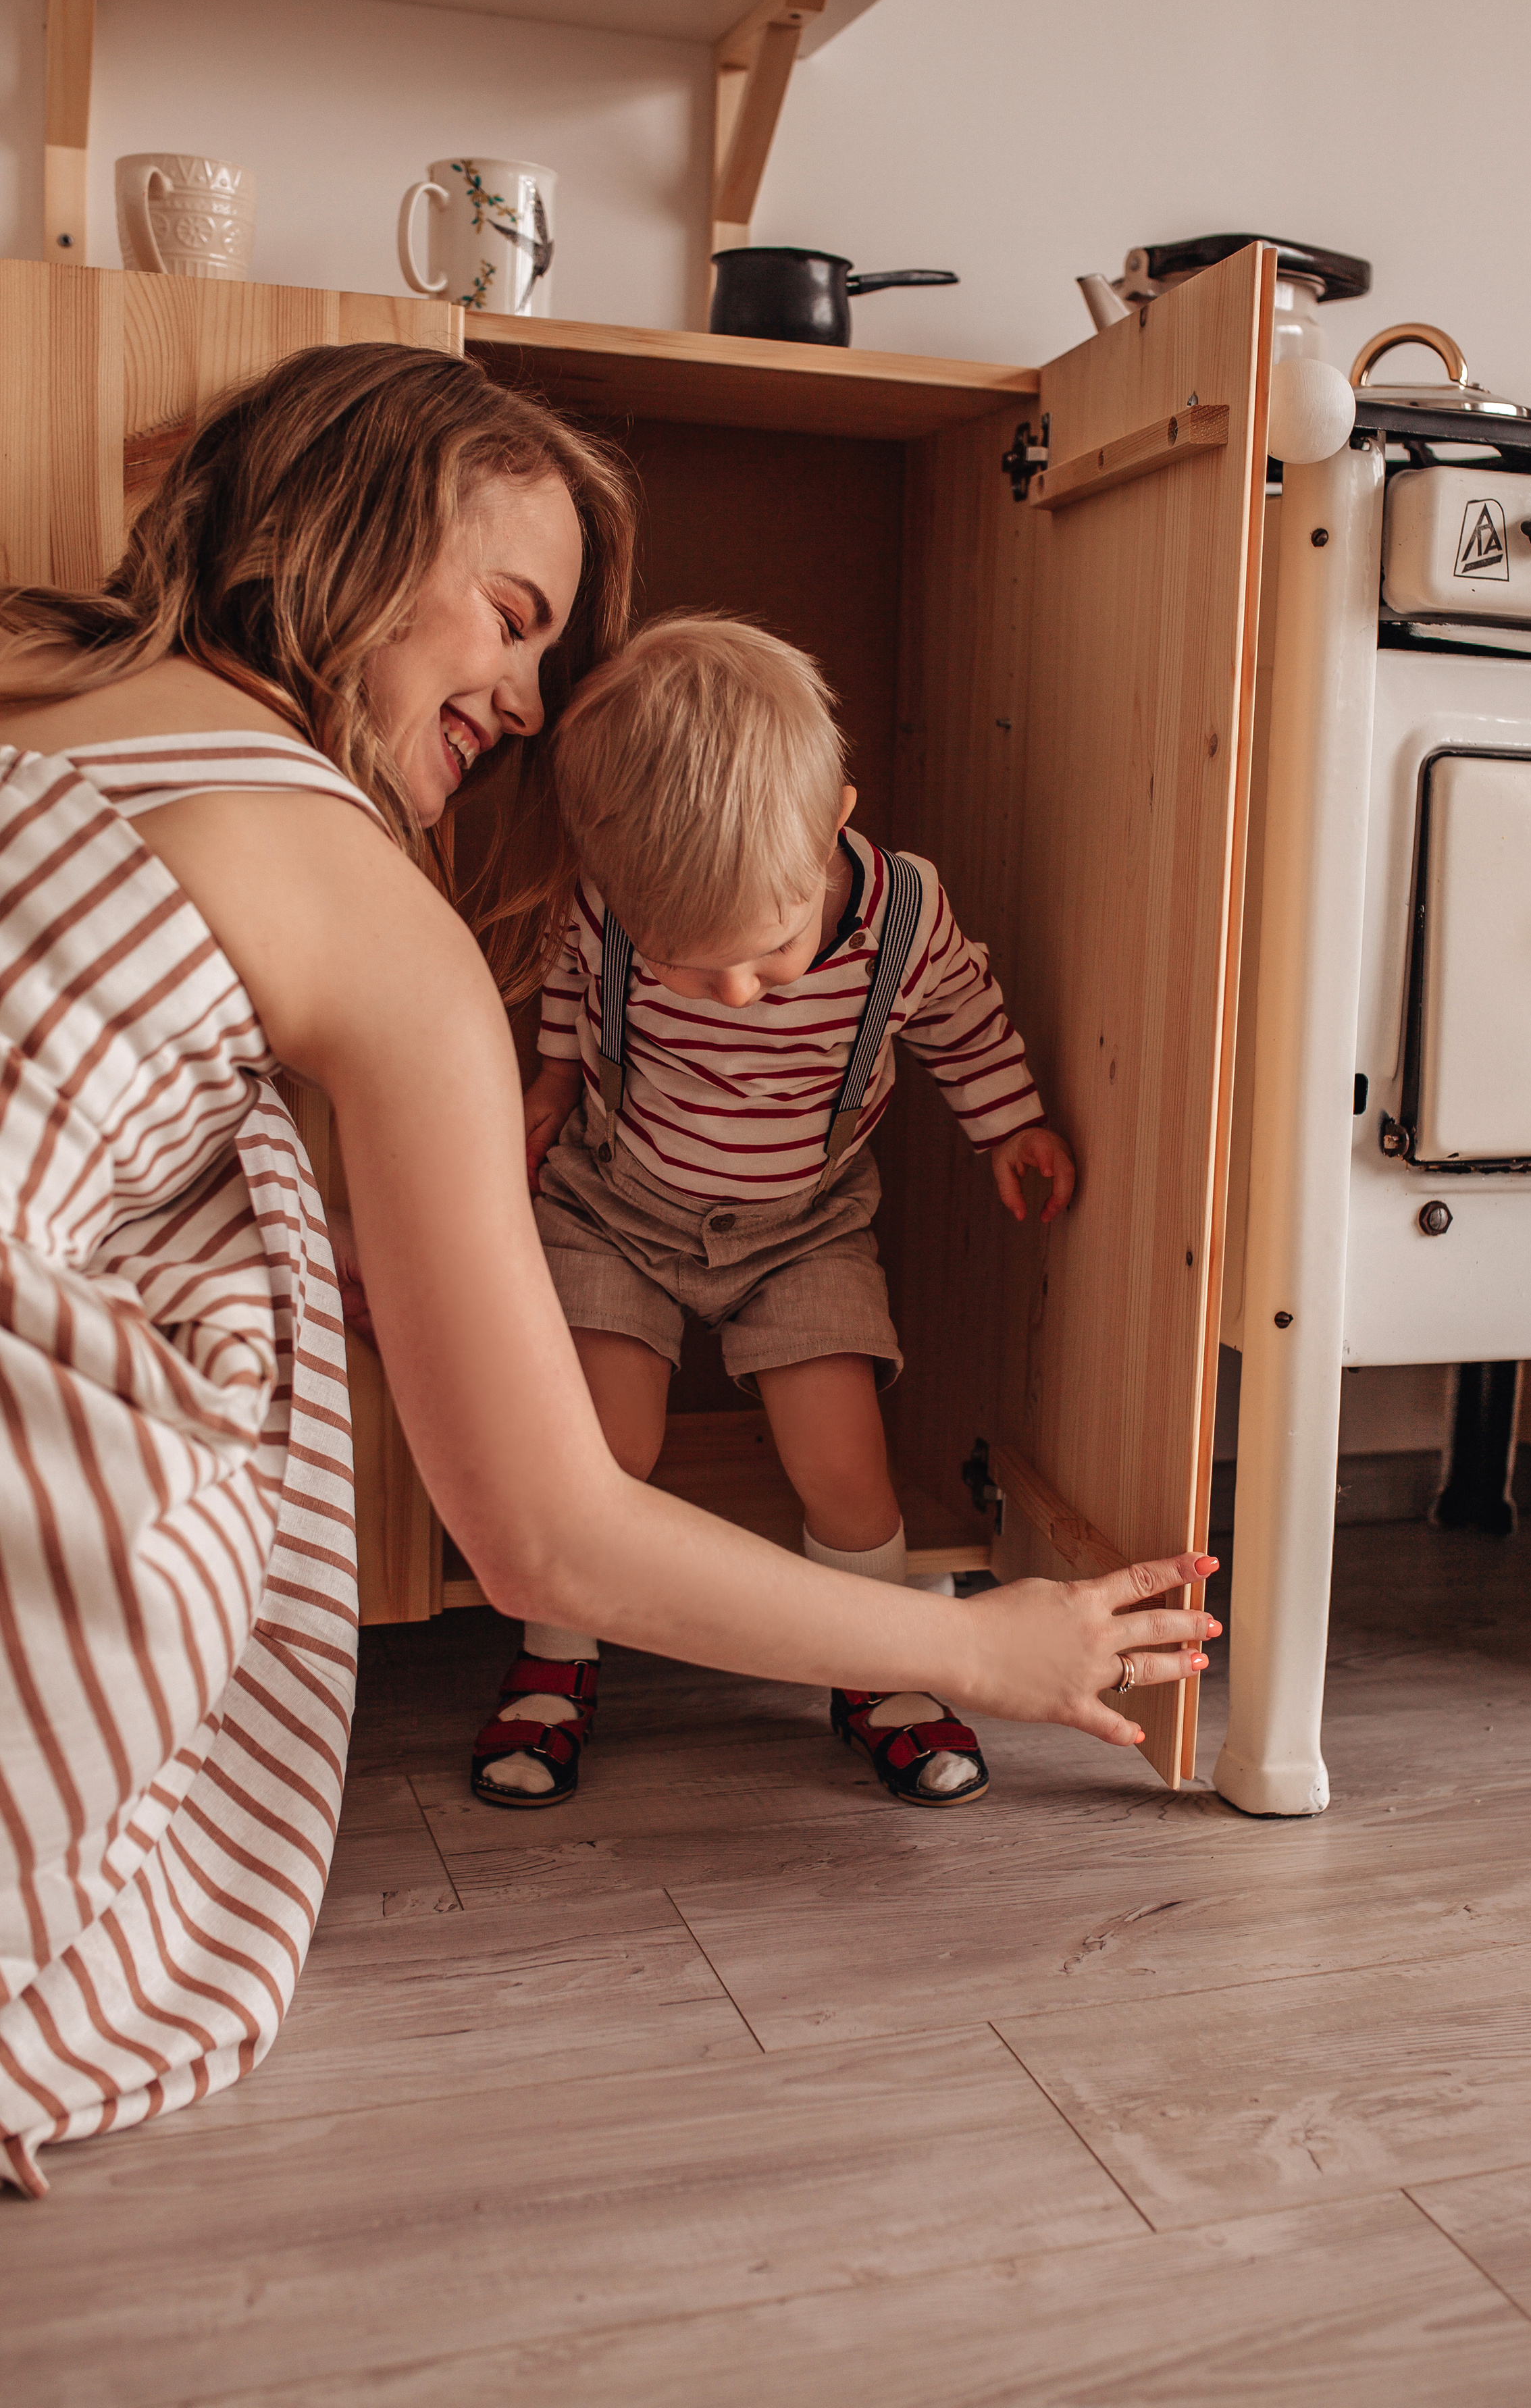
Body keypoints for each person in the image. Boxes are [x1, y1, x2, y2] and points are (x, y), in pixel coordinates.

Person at [0, 344, 1217, 2197]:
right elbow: (549, 1530)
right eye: (511, 613)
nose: (523, 692)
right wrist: (975, 1641)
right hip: (626, 1244)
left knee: (824, 1449)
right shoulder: (367, 909)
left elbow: (964, 1029)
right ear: (345, 521)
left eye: (552, 655)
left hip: (803, 1234)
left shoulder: (33, 666)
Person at [467, 614, 1166, 1813]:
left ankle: (884, 1672)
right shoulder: (604, 904)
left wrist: (1011, 1124)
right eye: (691, 965)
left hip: (805, 1225)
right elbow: (577, 1000)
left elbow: (964, 1020)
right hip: (616, 1208)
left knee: (845, 1470)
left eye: (771, 951)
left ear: (837, 815)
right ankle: (556, 1660)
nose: (736, 990)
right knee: (596, 1454)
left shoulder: (905, 917)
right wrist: (547, 1082)